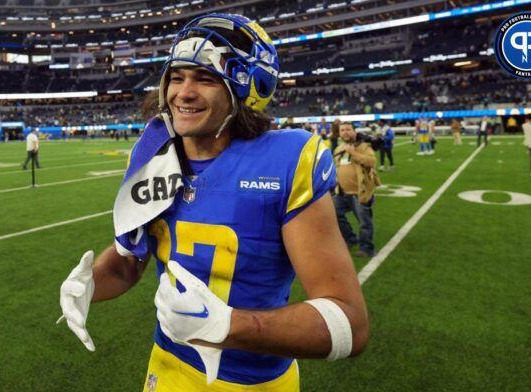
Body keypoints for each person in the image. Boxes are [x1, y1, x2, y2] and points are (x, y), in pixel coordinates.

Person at [57, 13, 368, 391]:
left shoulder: (287, 160)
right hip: (167, 365)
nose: (182, 93)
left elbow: (350, 323)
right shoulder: (154, 155)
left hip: (253, 382)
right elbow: (129, 263)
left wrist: (229, 326)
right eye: (177, 76)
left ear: (246, 89)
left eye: (205, 78)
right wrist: (90, 283)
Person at [332, 122, 381, 258]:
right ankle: (350, 239)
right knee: (334, 214)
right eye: (342, 130)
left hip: (360, 192)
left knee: (364, 222)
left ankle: (366, 248)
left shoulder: (364, 147)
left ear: (354, 131)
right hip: (342, 192)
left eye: (348, 129)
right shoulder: (338, 148)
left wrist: (354, 153)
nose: (345, 132)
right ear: (339, 133)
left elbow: (371, 162)